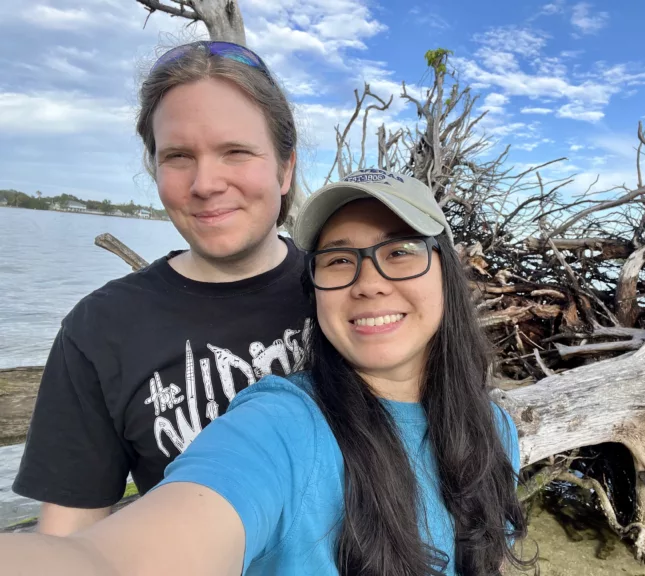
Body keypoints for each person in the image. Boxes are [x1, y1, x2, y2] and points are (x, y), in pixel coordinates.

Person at [2, 169, 532, 575]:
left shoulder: (493, 430)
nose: (369, 282)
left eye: (400, 251)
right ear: (315, 290)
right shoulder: (282, 425)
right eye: (339, 259)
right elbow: (111, 559)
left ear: (447, 273)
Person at [12, 41, 311, 536]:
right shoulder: (100, 329)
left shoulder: (348, 291)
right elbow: (69, 536)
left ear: (285, 167)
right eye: (178, 156)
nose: (205, 183)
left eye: (235, 151)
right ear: (154, 168)